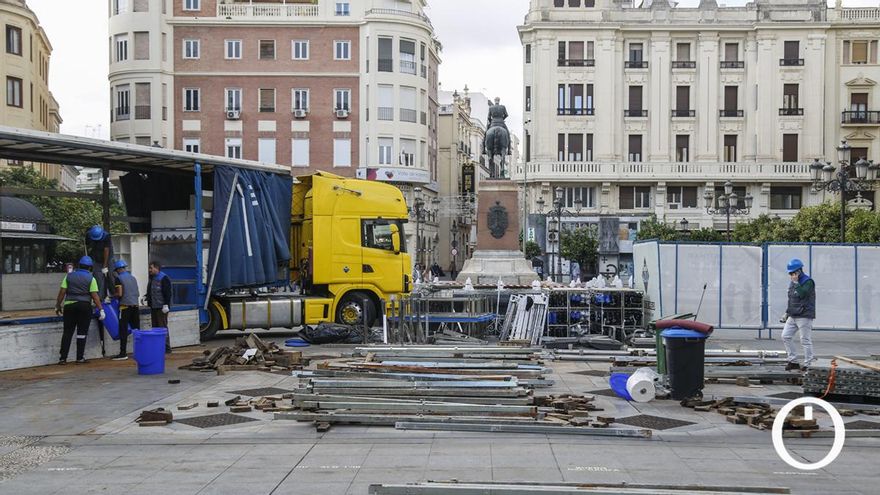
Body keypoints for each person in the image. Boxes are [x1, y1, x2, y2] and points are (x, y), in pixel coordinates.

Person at [55, 256, 105, 364]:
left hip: (69, 306)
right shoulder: (91, 279)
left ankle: (63, 358)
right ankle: (79, 357)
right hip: (84, 306)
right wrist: (101, 309)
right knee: (81, 333)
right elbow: (94, 295)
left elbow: (62, 292)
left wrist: (58, 305)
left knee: (67, 332)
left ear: (79, 265)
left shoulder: (68, 276)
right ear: (90, 268)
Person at [782, 258, 816, 371]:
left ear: (799, 271)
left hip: (805, 315)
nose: (791, 275)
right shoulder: (793, 282)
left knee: (805, 340)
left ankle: (809, 364)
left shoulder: (808, 281)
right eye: (790, 273)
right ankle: (793, 361)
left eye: (793, 272)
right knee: (785, 336)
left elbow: (802, 294)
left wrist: (796, 283)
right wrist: (787, 312)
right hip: (793, 314)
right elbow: (791, 298)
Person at [112, 260, 140, 361]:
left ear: (119, 269)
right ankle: (140, 351)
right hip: (135, 306)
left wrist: (111, 296)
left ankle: (123, 353)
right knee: (136, 330)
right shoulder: (133, 278)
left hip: (125, 307)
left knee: (123, 330)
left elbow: (119, 293)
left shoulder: (118, 278)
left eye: (117, 270)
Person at [146, 261, 173, 353]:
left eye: (151, 268)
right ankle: (158, 346)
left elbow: (167, 292)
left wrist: (166, 304)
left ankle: (166, 348)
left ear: (156, 268)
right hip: (154, 306)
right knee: (155, 327)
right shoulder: (152, 278)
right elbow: (150, 290)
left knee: (162, 327)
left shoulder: (164, 278)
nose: (150, 270)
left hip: (161, 307)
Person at [85, 225, 114, 299]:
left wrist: (104, 265)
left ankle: (113, 294)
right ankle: (100, 298)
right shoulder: (88, 235)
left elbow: (106, 251)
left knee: (111, 275)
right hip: (95, 257)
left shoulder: (106, 236)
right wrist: (89, 260)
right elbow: (87, 247)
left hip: (108, 258)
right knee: (98, 278)